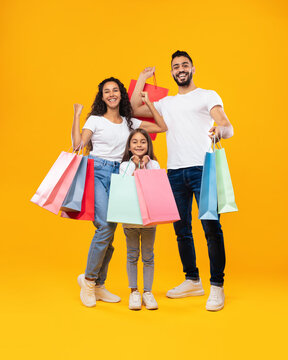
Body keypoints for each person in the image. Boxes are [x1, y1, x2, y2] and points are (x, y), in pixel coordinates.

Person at [130, 51, 234, 311]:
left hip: (202, 168)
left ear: (193, 69)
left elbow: (224, 122)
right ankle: (192, 280)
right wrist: (142, 78)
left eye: (184, 65)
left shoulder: (208, 95)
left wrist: (220, 129)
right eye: (175, 66)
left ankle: (217, 286)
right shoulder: (165, 103)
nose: (180, 69)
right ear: (172, 72)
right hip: (175, 172)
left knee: (211, 228)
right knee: (181, 230)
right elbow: (133, 109)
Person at [72, 77, 167, 308]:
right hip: (97, 171)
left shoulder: (129, 122)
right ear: (102, 97)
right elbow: (77, 145)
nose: (111, 94)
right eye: (107, 91)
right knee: (104, 226)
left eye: (115, 90)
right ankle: (89, 280)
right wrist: (77, 115)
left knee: (111, 232)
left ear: (121, 95)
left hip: (121, 175)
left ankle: (100, 285)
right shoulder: (94, 120)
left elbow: (162, 127)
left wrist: (149, 101)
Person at [120, 128, 160, 310]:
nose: (139, 145)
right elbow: (124, 183)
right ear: (129, 147)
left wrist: (144, 165)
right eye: (135, 142)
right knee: (132, 254)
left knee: (148, 255)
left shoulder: (154, 164)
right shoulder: (124, 165)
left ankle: (148, 292)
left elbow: (154, 186)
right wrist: (134, 165)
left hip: (149, 218)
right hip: (130, 217)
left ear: (148, 145)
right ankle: (134, 292)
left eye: (143, 141)